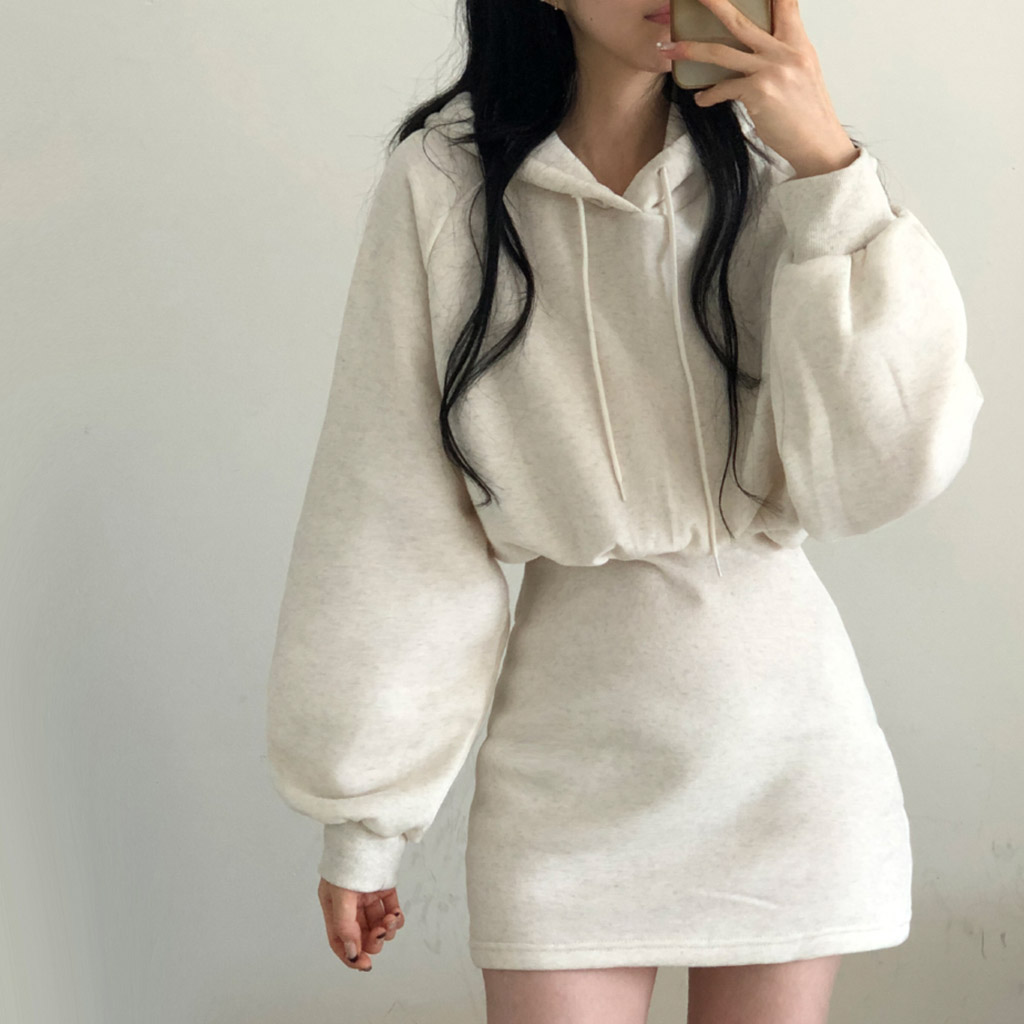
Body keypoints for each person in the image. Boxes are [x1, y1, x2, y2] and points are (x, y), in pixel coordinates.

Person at [264, 0, 984, 1020]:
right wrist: (365, 823)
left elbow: (880, 469)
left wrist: (827, 163)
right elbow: (391, 511)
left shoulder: (785, 176)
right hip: (563, 776)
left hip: (790, 764)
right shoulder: (444, 186)